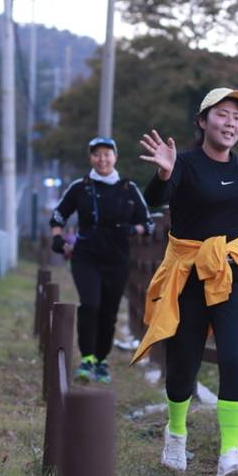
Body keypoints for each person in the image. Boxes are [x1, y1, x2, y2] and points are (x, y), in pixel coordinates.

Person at [133, 87, 238, 476]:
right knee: (184, 361)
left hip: (234, 272)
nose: (231, 123)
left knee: (231, 357)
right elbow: (152, 198)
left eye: (237, 117)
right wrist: (163, 173)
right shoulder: (182, 164)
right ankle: (176, 434)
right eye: (222, 114)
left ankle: (230, 455)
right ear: (203, 121)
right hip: (189, 271)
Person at [50, 136, 155, 384]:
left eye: (107, 154)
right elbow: (58, 215)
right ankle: (87, 358)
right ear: (91, 158)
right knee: (90, 305)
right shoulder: (81, 187)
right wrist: (58, 239)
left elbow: (148, 223)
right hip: (85, 256)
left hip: (117, 260)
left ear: (115, 157)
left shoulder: (128, 189)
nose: (102, 159)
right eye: (97, 154)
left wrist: (134, 230)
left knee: (108, 312)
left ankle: (101, 360)